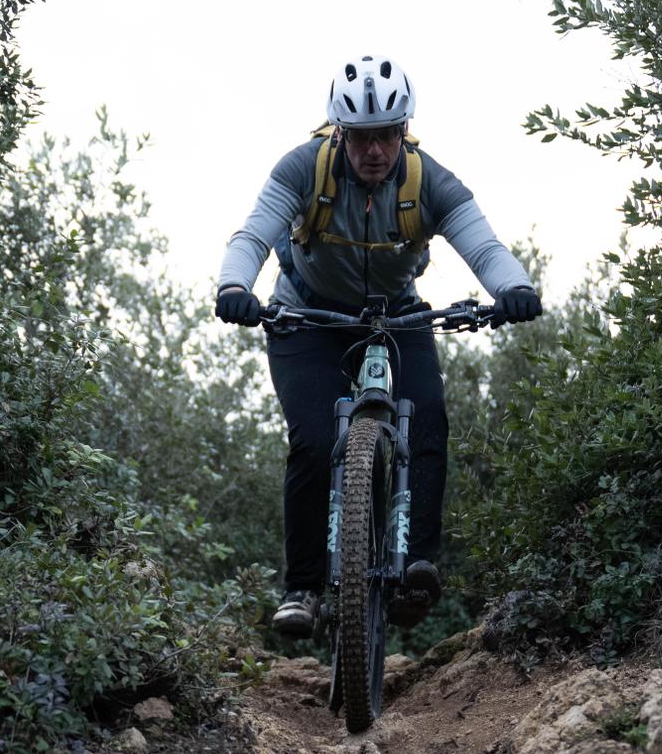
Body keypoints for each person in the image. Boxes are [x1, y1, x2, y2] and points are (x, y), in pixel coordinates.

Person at [215, 54, 542, 639]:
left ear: (403, 129)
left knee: (429, 419)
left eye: (387, 135)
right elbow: (252, 235)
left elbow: (485, 247)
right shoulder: (303, 169)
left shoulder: (428, 181)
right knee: (315, 440)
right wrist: (235, 286)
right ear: (339, 132)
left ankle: (415, 566)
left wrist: (513, 287)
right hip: (308, 316)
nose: (374, 150)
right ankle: (302, 588)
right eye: (361, 137)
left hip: (396, 316)